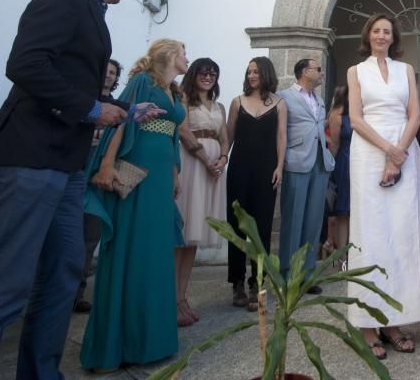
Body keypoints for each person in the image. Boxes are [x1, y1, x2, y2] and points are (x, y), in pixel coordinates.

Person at [0, 0, 161, 380]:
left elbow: (68, 80)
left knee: (62, 277)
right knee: (7, 283)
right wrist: (92, 109)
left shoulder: (91, 11)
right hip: (32, 158)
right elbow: (25, 65)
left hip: (66, 165)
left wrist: (117, 108)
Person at [80, 39, 188, 372]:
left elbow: (171, 134)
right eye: (183, 53)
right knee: (132, 248)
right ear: (169, 55)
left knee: (156, 252)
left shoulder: (175, 92)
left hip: (160, 175)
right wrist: (107, 164)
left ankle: (152, 341)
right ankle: (115, 345)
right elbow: (120, 121)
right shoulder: (143, 82)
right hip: (137, 170)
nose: (187, 58)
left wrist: (173, 172)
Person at [347, 13, 420, 358]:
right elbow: (355, 119)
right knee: (370, 234)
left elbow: (415, 114)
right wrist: (388, 151)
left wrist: (399, 152)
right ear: (368, 35)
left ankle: (395, 320)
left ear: (393, 37)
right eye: (377, 30)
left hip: (404, 145)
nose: (382, 35)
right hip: (369, 151)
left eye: (387, 31)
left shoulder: (406, 70)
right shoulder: (355, 71)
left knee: (403, 233)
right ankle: (368, 323)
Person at [225, 57, 286, 310]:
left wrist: (280, 167)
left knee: (260, 229)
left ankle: (256, 283)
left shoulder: (280, 104)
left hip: (266, 171)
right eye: (249, 71)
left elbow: (281, 136)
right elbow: (228, 136)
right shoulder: (237, 102)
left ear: (266, 74)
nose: (251, 76)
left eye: (256, 72)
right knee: (237, 226)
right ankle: (237, 283)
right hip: (239, 170)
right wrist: (220, 159)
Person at [176, 57, 228, 325]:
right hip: (192, 164)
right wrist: (206, 160)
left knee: (195, 235)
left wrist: (222, 158)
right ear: (194, 74)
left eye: (213, 73)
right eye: (204, 72)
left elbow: (224, 138)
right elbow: (183, 131)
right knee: (182, 233)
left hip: (213, 171)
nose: (208, 77)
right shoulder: (184, 99)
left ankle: (182, 297)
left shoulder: (218, 106)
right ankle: (171, 300)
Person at [278, 58, 335, 287]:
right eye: (318, 69)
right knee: (293, 220)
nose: (321, 73)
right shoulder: (284, 96)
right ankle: (289, 274)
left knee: (313, 222)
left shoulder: (319, 100)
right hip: (296, 162)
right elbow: (280, 132)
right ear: (304, 72)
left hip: (319, 163)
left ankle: (308, 274)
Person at [74, 58, 123, 314]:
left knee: (90, 234)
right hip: (74, 166)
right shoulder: (79, 98)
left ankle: (77, 292)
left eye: (113, 73)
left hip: (97, 174)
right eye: (105, 71)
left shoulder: (117, 107)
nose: (108, 76)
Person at [326, 85, 351, 267]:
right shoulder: (337, 114)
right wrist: (330, 171)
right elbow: (334, 143)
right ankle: (344, 259)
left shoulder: (364, 110)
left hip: (363, 161)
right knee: (343, 212)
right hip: (344, 162)